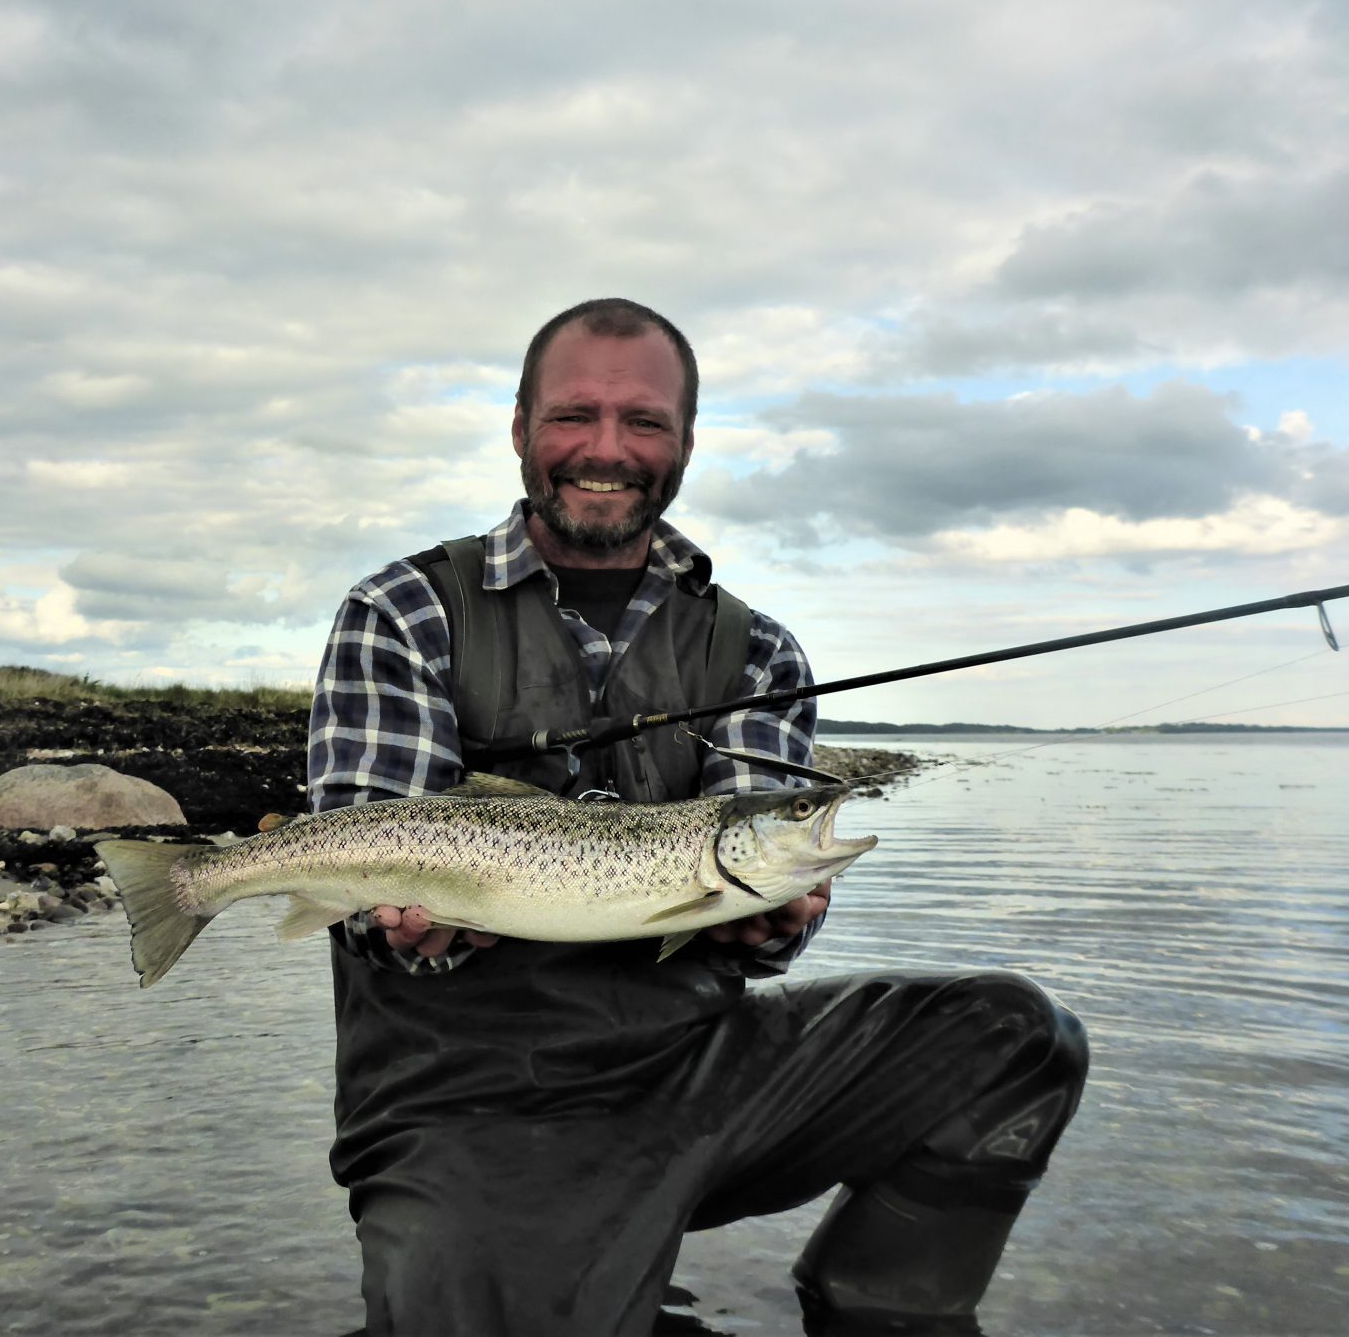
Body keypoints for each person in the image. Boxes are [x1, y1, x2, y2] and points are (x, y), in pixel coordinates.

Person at [306, 298, 1088, 1336]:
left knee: (1016, 1039)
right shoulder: (403, 613)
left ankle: (880, 1314)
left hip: (697, 1074)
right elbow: (369, 843)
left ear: (683, 443)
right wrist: (399, 921)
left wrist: (776, 921)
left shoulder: (757, 648)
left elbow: (756, 910)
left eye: (645, 422)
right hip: (466, 1101)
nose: (607, 449)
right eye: (574, 415)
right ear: (518, 429)